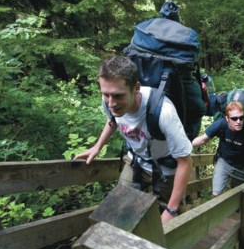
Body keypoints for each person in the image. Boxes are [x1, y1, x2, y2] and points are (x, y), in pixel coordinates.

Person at [74, 55, 193, 224]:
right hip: (135, 161)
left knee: (171, 220)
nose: (111, 103)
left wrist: (171, 209)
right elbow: (113, 121)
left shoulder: (163, 112)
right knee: (120, 208)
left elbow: (186, 162)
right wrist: (97, 146)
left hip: (166, 169)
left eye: (118, 96)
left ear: (136, 87)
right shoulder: (109, 100)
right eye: (106, 95)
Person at [192, 101, 244, 196]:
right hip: (224, 162)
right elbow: (203, 139)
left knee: (239, 196)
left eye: (241, 118)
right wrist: (186, 146)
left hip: (242, 167)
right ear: (227, 118)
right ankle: (217, 210)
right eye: (234, 118)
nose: (238, 121)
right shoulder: (220, 125)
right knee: (216, 193)